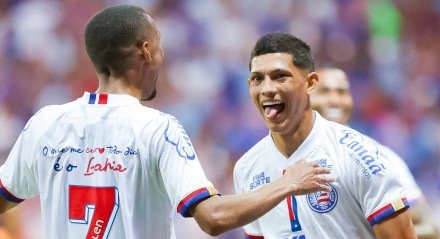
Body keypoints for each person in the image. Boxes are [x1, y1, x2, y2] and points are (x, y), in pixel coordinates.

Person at [0, 5, 335, 239]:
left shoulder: (46, 123)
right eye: (159, 46)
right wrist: (288, 182)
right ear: (145, 52)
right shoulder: (157, 129)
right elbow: (213, 218)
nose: (162, 56)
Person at [233, 32, 416, 238]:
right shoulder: (246, 169)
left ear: (310, 83)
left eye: (279, 76)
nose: (267, 88)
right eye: (258, 79)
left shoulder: (361, 157)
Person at [311, 67, 440, 239]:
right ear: (305, 98)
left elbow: (430, 229)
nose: (335, 100)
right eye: (324, 91)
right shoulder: (282, 157)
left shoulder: (379, 156)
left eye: (342, 92)